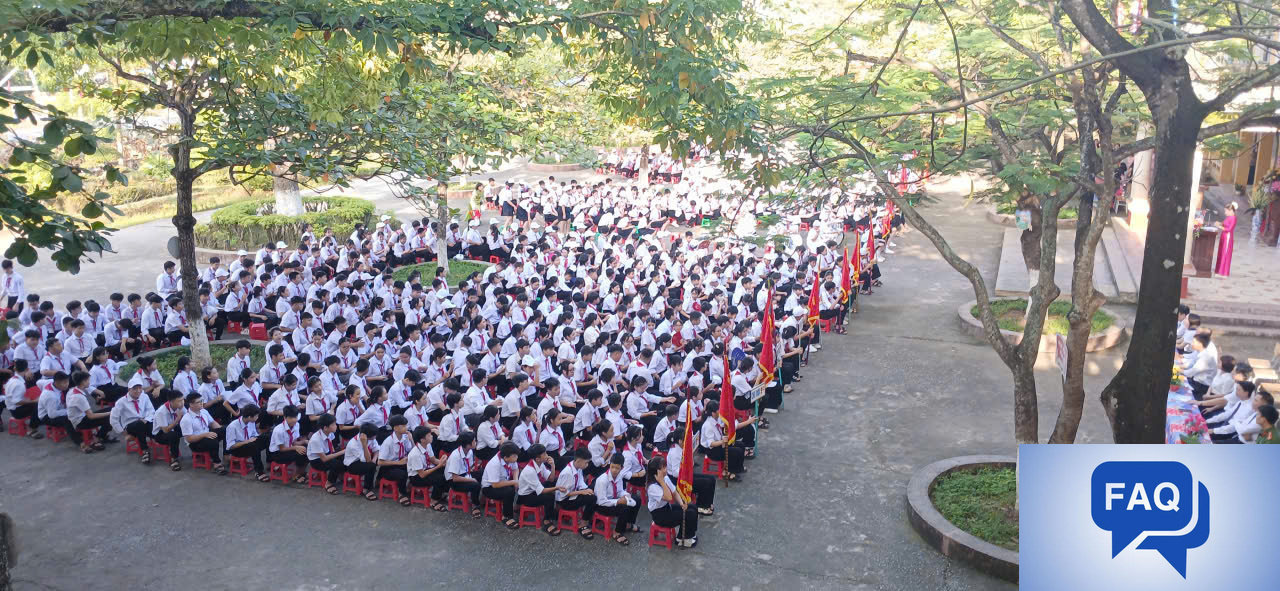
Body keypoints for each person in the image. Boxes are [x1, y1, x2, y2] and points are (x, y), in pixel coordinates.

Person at [646, 456, 699, 548]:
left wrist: (681, 504)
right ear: (657, 472)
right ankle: (681, 539)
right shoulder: (652, 487)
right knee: (689, 514)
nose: (666, 469)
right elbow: (669, 497)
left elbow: (674, 492)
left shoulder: (665, 478)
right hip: (660, 516)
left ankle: (690, 534)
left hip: (667, 508)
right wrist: (662, 482)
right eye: (663, 468)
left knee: (693, 508)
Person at [593, 452, 640, 545]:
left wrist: (626, 495)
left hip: (612, 500)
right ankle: (617, 532)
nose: (614, 470)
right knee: (624, 508)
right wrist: (618, 501)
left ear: (622, 468)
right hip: (602, 506)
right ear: (610, 465)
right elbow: (601, 501)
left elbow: (619, 491)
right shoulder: (602, 480)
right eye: (612, 467)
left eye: (617, 468)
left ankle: (628, 524)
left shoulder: (619, 476)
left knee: (636, 499)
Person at [516, 443, 562, 536]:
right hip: (526, 497)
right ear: (537, 459)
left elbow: (551, 479)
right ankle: (546, 521)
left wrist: (553, 466)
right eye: (544, 454)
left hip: (534, 490)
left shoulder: (540, 464)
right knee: (549, 497)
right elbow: (542, 491)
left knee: (555, 482)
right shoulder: (529, 471)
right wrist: (556, 488)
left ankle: (554, 511)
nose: (547, 455)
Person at [699, 400, 749, 480]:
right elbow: (711, 444)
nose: (720, 411)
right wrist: (723, 441)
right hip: (713, 450)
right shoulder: (708, 425)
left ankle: (738, 467)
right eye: (718, 410)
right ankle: (728, 472)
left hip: (720, 443)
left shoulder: (717, 418)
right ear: (713, 413)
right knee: (736, 451)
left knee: (741, 445)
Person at [555, 448, 598, 539]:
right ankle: (583, 522)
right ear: (578, 461)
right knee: (592, 498)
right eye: (586, 463)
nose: (587, 465)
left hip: (573, 494)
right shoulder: (567, 473)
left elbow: (580, 482)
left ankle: (590, 516)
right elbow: (565, 494)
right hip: (565, 501)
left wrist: (587, 489)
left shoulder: (577, 468)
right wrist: (583, 492)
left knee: (594, 489)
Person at [181, 392, 229, 474]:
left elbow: (212, 423)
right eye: (198, 402)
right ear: (191, 404)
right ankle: (217, 463)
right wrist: (204, 435)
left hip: (206, 435)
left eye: (202, 401)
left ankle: (226, 455)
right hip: (195, 443)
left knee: (226, 430)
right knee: (212, 441)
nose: (201, 403)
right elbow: (189, 439)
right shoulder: (186, 419)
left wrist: (221, 430)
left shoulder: (203, 411)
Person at [405, 425, 448, 511]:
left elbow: (433, 460)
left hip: (426, 469)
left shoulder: (427, 445)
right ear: (422, 440)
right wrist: (438, 466)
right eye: (429, 435)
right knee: (439, 478)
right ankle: (433, 501)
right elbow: (422, 474)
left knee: (446, 471)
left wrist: (443, 462)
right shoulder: (415, 454)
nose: (432, 436)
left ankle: (441, 493)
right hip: (416, 477)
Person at [110, 382, 155, 463]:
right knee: (140, 424)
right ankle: (145, 450)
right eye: (135, 389)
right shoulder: (121, 402)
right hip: (131, 425)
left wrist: (147, 419)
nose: (138, 391)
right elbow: (113, 419)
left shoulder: (144, 396)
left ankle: (162, 441)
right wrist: (124, 433)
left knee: (154, 423)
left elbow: (151, 410)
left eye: (140, 388)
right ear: (129, 389)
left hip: (144, 421)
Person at [480, 441, 522, 527]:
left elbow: (515, 469)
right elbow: (495, 485)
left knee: (520, 484)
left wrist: (516, 480)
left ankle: (517, 506)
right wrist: (513, 482)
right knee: (509, 492)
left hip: (503, 481)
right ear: (506, 458)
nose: (517, 457)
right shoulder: (495, 464)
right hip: (489, 488)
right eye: (515, 456)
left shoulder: (509, 458)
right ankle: (507, 516)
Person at [225, 404, 271, 481]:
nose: (257, 418)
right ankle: (259, 471)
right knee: (253, 446)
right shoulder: (232, 426)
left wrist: (256, 438)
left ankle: (271, 461)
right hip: (237, 449)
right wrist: (247, 442)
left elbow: (254, 435)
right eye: (256, 416)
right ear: (249, 417)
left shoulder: (251, 422)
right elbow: (230, 446)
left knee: (268, 437)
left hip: (250, 444)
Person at [268, 405, 312, 484]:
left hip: (289, 448)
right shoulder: (279, 430)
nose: (294, 420)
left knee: (308, 449)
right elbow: (282, 449)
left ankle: (300, 472)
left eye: (295, 417)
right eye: (291, 418)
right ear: (285, 417)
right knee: (300, 454)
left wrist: (305, 442)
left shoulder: (296, 425)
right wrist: (296, 448)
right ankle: (296, 475)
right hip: (278, 453)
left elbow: (294, 442)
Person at [444, 432, 484, 517]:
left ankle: (481, 498)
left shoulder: (469, 451)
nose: (476, 442)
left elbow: (468, 466)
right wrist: (471, 479)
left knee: (482, 473)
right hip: (454, 481)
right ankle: (475, 505)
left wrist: (473, 469)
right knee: (475, 485)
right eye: (474, 441)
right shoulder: (456, 456)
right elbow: (455, 478)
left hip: (464, 474)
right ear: (468, 445)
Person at [307, 413, 346, 494]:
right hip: (317, 460)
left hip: (326, 453)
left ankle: (341, 475)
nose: (336, 426)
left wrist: (338, 453)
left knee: (344, 458)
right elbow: (324, 459)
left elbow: (331, 446)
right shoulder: (316, 439)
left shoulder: (330, 433)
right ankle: (329, 483)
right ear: (325, 428)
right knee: (336, 464)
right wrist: (340, 453)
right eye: (333, 424)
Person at [343, 422, 381, 500]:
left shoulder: (371, 438)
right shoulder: (354, 444)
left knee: (380, 460)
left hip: (365, 459)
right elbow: (367, 460)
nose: (376, 436)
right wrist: (364, 445)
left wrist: (374, 459)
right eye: (374, 435)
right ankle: (367, 489)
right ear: (367, 436)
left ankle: (378, 481)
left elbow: (377, 449)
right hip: (352, 464)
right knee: (371, 466)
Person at [4, 359, 42, 438]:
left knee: (37, 402)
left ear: (14, 368)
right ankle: (32, 429)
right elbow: (17, 401)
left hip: (12, 407)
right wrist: (33, 401)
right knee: (39, 406)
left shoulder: (12, 380)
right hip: (17, 411)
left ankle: (36, 421)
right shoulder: (18, 383)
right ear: (27, 369)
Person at [151, 389, 185, 471]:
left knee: (188, 429)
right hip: (160, 434)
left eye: (182, 400)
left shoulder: (179, 407)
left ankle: (197, 451)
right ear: (171, 402)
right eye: (179, 401)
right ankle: (174, 459)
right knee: (174, 436)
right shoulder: (161, 412)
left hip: (172, 427)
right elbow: (165, 430)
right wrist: (177, 419)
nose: (182, 403)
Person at [1215, 202, 1237, 276]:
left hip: (1228, 237)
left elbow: (1229, 229)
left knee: (1225, 253)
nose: (1225, 213)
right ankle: (1219, 271)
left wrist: (1219, 227)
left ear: (1231, 210)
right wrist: (1219, 223)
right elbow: (1224, 224)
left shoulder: (1233, 218)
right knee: (1221, 253)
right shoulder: (1228, 217)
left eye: (1226, 211)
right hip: (1223, 236)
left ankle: (1223, 273)